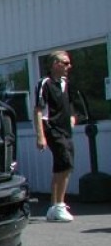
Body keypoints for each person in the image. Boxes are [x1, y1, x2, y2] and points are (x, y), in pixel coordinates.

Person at [34, 50, 76, 222]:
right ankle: (59, 205)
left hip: (65, 129)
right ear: (55, 64)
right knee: (66, 162)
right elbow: (38, 110)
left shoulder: (65, 84)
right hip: (51, 128)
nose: (69, 66)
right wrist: (40, 136)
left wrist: (72, 117)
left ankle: (54, 206)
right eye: (65, 63)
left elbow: (71, 105)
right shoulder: (45, 83)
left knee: (62, 166)